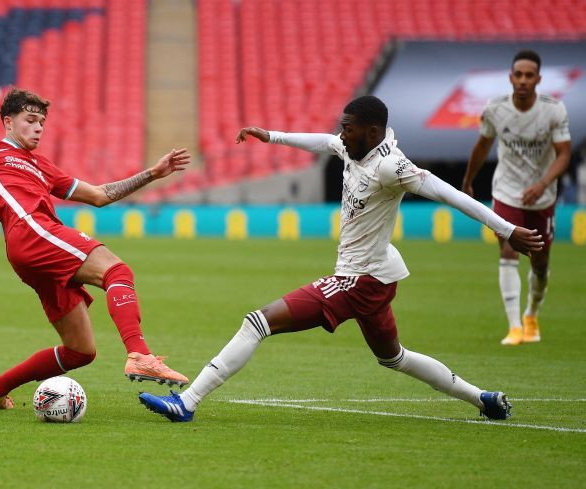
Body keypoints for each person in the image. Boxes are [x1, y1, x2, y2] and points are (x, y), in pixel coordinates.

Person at [138, 95, 543, 423]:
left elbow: (448, 194)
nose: (341, 135)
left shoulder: (391, 166)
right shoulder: (353, 147)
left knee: (256, 322)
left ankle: (186, 402)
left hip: (359, 279)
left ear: (372, 131)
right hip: (378, 278)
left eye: (348, 128)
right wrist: (272, 136)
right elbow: (323, 141)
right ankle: (483, 399)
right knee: (394, 357)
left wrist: (506, 229)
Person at [0, 88, 190, 410]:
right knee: (116, 270)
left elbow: (99, 195)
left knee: (80, 351)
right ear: (8, 122)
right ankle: (139, 354)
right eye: (31, 120)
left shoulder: (42, 165)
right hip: (32, 231)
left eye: (42, 122)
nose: (38, 127)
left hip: (31, 247)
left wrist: (152, 173)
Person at [462, 49, 571, 346]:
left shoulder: (553, 110)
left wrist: (544, 182)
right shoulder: (495, 108)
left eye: (529, 75)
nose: (523, 80)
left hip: (542, 196)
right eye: (518, 75)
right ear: (511, 78)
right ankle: (513, 327)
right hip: (507, 192)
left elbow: (564, 155)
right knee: (508, 251)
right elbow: (482, 145)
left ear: (538, 79)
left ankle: (531, 315)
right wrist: (468, 181)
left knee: (540, 261)